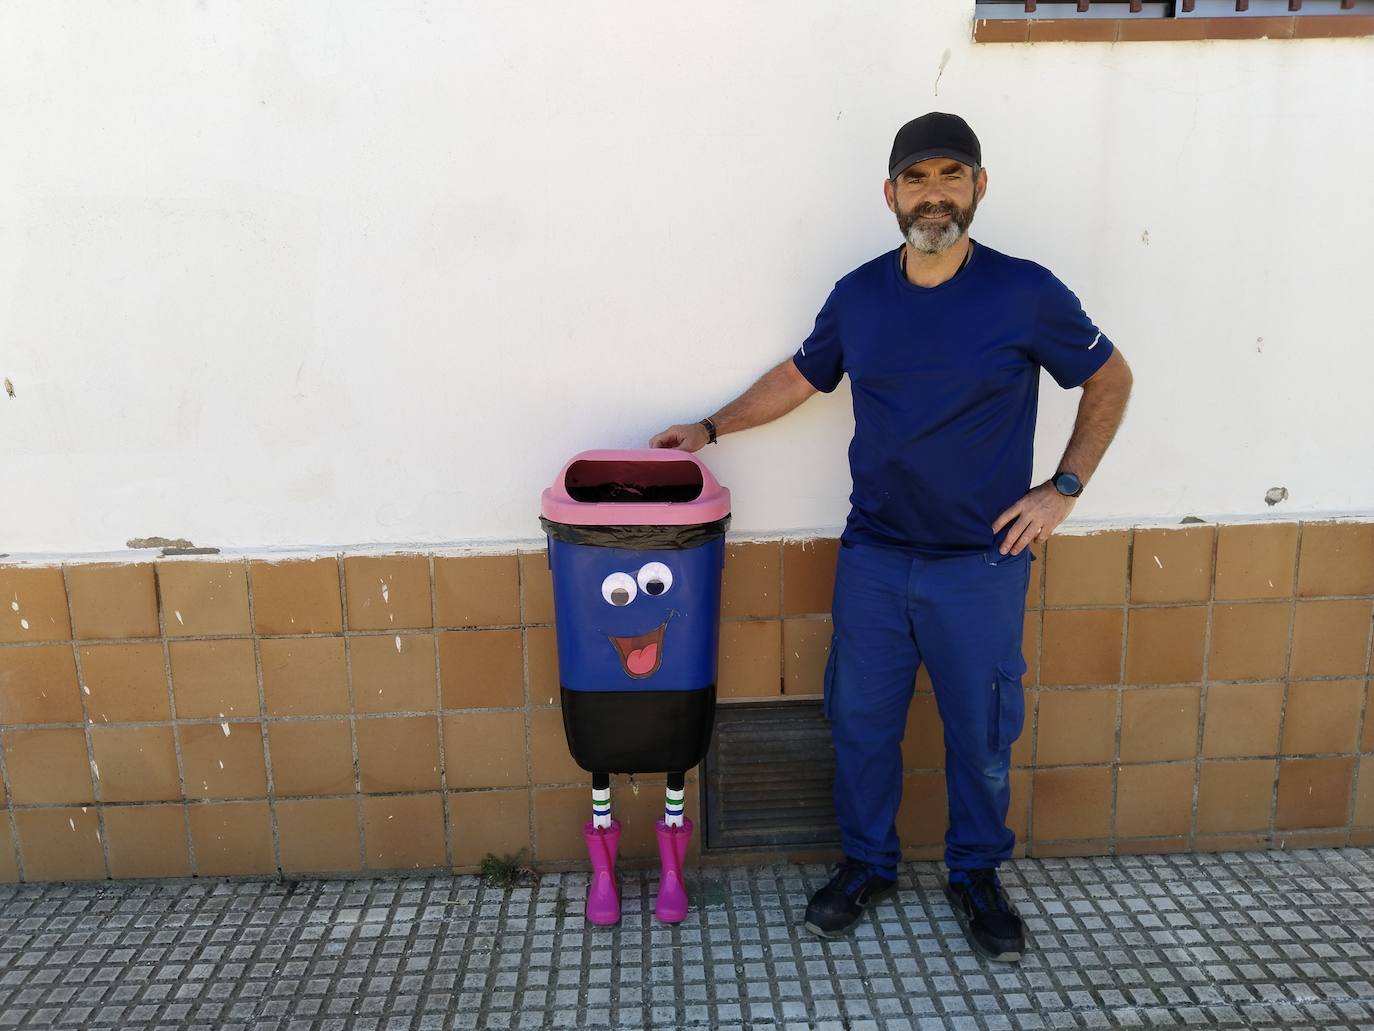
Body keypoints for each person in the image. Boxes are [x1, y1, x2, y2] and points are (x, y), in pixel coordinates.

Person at [648, 112, 1133, 962]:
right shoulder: (860, 294)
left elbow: (1109, 375)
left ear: (979, 187)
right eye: (917, 179)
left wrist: (1061, 490)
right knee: (861, 726)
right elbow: (801, 378)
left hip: (981, 562)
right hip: (873, 557)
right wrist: (709, 428)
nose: (934, 195)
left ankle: (976, 872)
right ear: (891, 194)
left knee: (980, 734)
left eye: (952, 176)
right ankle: (867, 864)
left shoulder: (1025, 292)